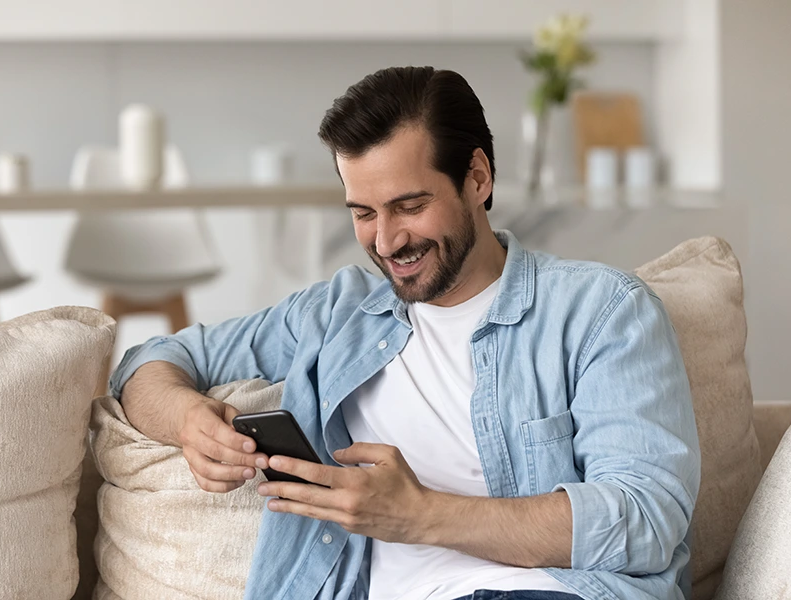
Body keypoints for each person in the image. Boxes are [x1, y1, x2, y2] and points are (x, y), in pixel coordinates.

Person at [111, 66, 701, 600]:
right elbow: (151, 359)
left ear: (477, 177)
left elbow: (646, 518)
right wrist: (188, 420)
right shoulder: (334, 314)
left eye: (410, 206)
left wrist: (419, 516)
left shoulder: (602, 311)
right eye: (363, 214)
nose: (387, 242)